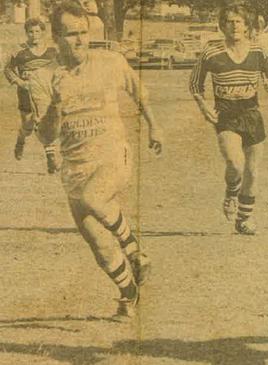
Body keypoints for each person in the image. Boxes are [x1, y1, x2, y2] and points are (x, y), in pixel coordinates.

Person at [29, 1, 162, 319]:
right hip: (74, 167)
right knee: (100, 246)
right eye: (70, 34)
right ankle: (129, 294)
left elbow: (138, 91)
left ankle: (134, 250)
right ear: (55, 37)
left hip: (113, 154)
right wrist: (55, 108)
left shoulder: (110, 62)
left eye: (83, 33)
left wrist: (154, 126)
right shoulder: (42, 77)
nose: (79, 41)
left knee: (95, 196)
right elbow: (46, 136)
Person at [190, 4, 268, 235]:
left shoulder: (259, 50)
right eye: (229, 21)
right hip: (225, 112)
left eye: (239, 21)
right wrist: (203, 107)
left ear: (247, 25)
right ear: (222, 26)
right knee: (235, 163)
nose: (234, 26)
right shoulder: (211, 51)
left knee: (252, 171)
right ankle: (231, 193)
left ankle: (244, 219)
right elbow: (194, 84)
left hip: (251, 112)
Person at [3, 17, 59, 173]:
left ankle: (51, 159)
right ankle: (20, 141)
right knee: (28, 125)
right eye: (31, 32)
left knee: (45, 121)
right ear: (26, 33)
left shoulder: (52, 51)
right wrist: (19, 81)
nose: (34, 35)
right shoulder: (20, 51)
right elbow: (7, 69)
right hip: (26, 92)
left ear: (43, 32)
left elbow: (61, 68)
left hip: (45, 92)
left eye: (37, 31)